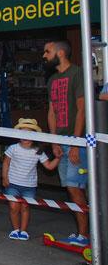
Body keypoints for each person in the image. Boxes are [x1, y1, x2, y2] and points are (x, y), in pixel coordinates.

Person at [43, 40, 89, 246]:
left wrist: (77, 143)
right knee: (72, 188)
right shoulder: (52, 79)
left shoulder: (77, 73)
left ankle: (85, 235)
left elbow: (82, 109)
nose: (44, 55)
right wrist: (54, 142)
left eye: (48, 51)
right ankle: (83, 233)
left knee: (76, 187)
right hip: (60, 141)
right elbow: (51, 112)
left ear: (60, 53)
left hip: (76, 140)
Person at [2, 119, 62, 241]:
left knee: (25, 207)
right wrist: (5, 177)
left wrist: (58, 158)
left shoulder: (38, 151)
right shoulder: (13, 148)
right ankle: (15, 229)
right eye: (22, 132)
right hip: (12, 183)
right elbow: (6, 163)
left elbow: (49, 166)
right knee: (14, 207)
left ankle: (23, 231)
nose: (25, 136)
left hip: (29, 186)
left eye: (28, 133)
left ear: (34, 136)